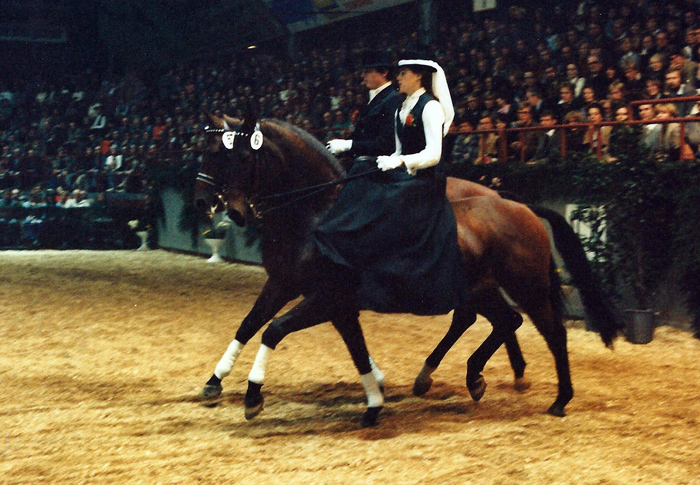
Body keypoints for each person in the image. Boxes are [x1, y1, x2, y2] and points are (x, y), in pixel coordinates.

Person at [312, 55, 468, 316]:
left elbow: (434, 154)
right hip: (404, 171)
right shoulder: (402, 107)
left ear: (418, 76)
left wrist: (400, 162)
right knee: (362, 169)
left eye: (403, 74)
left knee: (383, 201)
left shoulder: (430, 107)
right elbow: (396, 148)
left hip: (424, 177)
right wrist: (387, 160)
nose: (399, 78)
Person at [326, 50, 403, 158]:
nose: (362, 76)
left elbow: (386, 144)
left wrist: (349, 145)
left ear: (384, 72)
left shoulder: (393, 99)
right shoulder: (369, 98)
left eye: (367, 71)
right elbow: (359, 135)